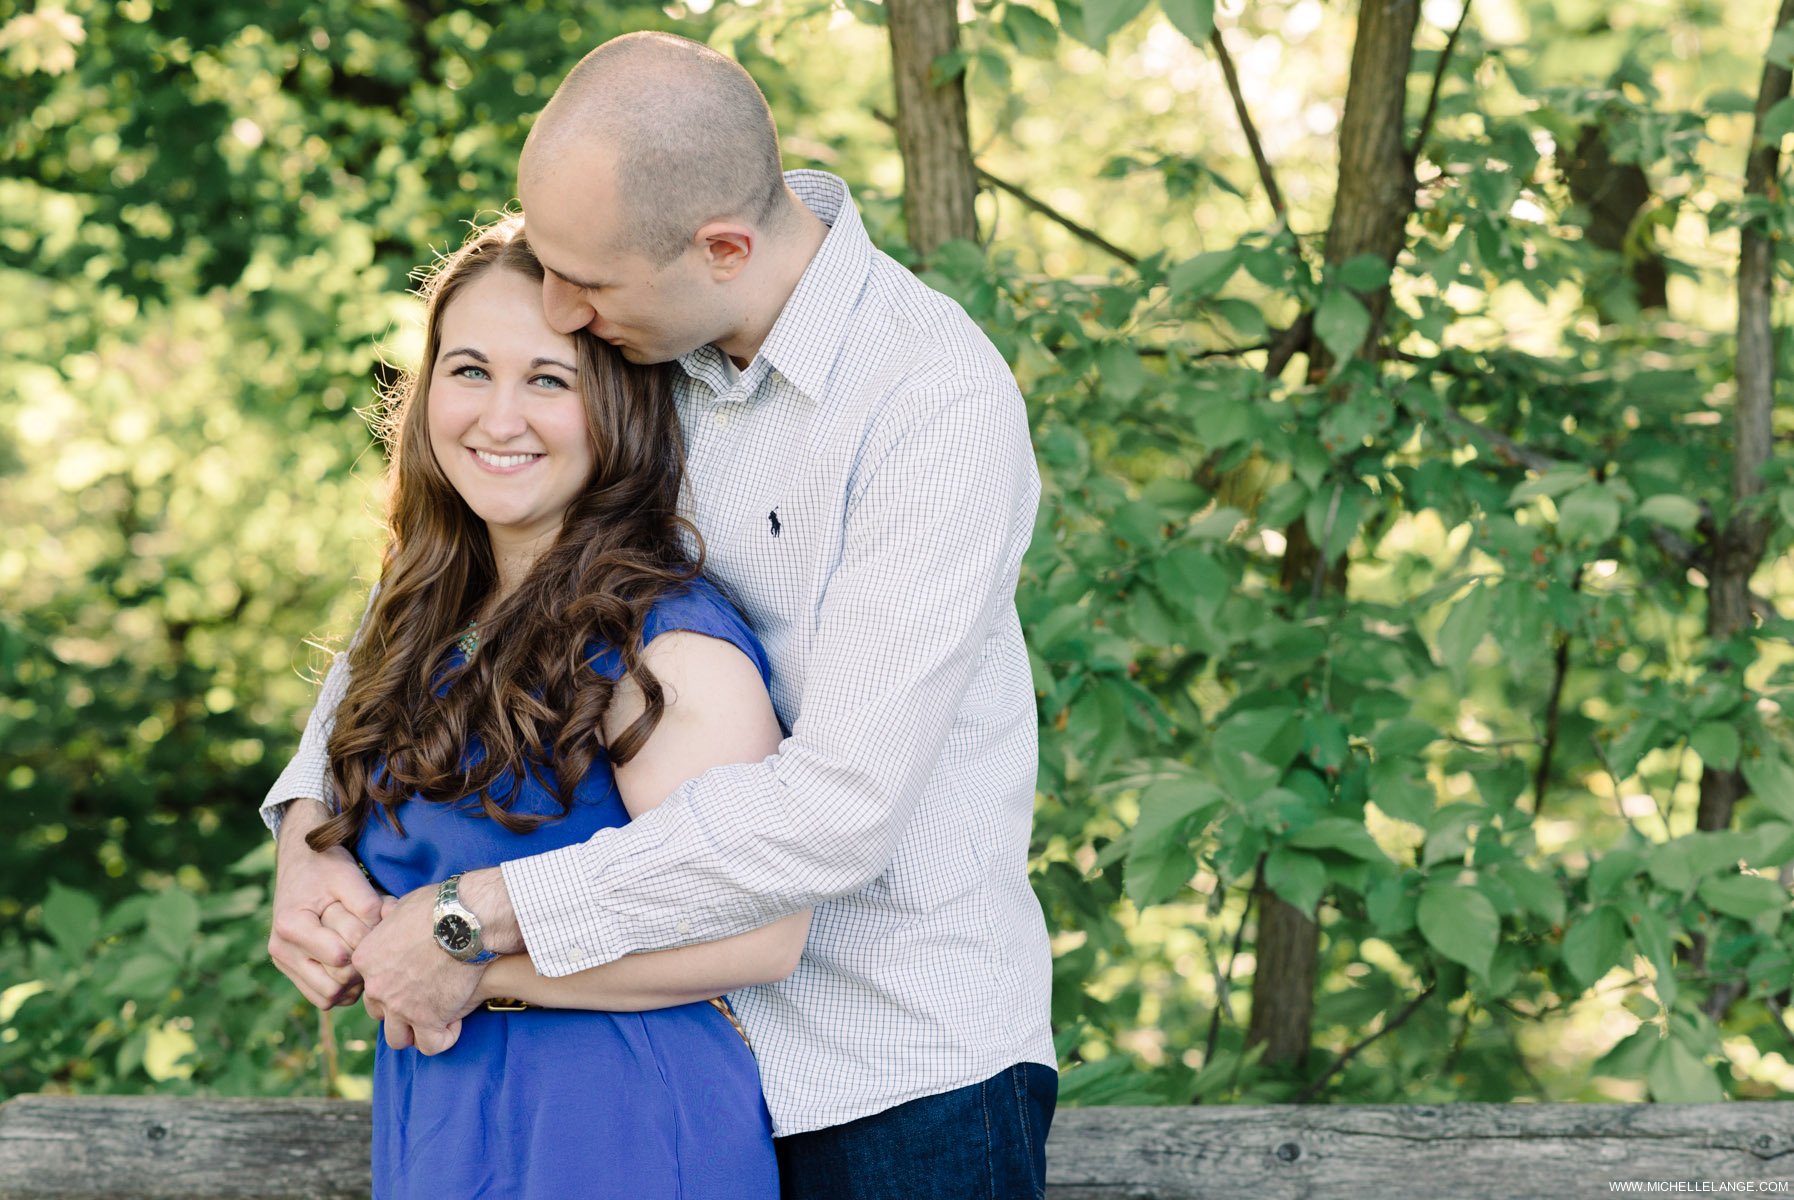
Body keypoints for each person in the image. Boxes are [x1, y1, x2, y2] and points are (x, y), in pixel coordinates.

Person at [264, 30, 1056, 1199]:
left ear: (723, 247)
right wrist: (308, 820)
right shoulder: (652, 326)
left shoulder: (930, 406)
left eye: (584, 288)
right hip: (646, 1045)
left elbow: (840, 811)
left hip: (891, 1071)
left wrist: (468, 924)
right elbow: (466, 567)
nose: (560, 312)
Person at [309, 215, 801, 1198]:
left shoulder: (665, 639)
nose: (499, 417)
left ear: (617, 404)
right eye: (468, 370)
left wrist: (471, 966)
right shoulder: (428, 614)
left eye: (548, 379)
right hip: (447, 1114)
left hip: (616, 1122)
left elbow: (760, 933)